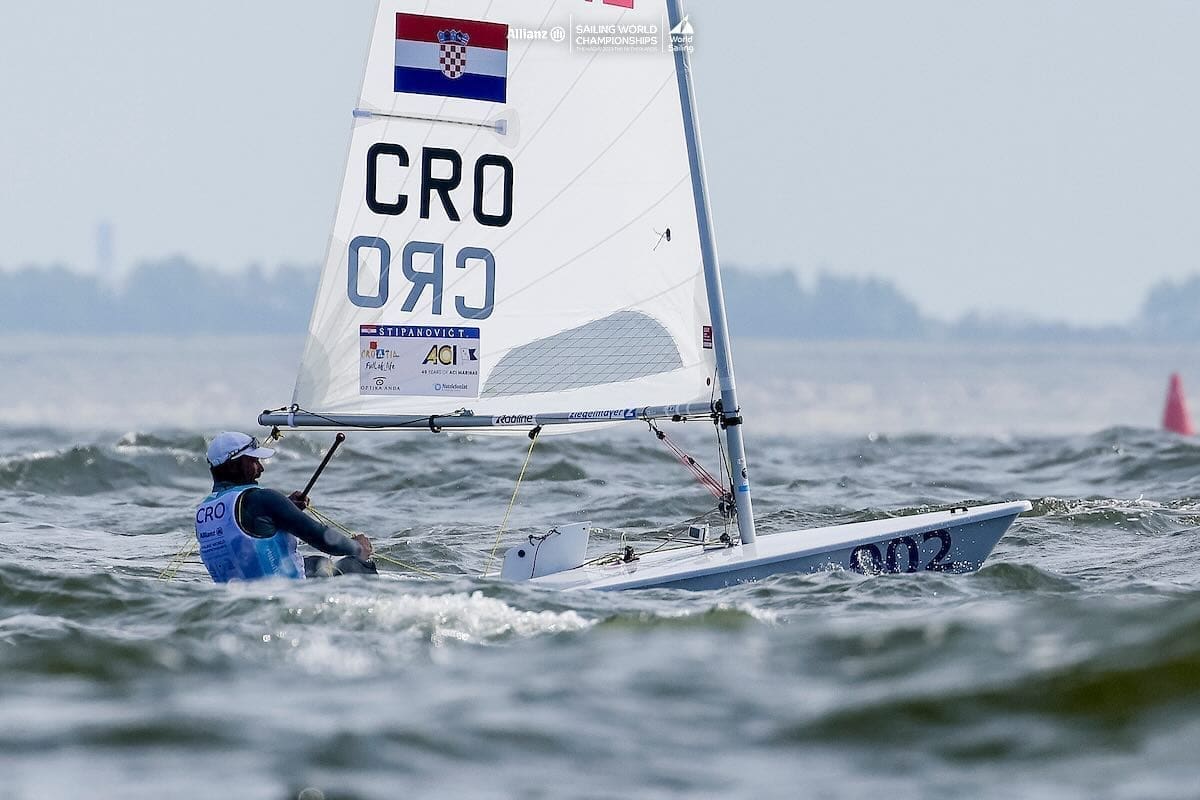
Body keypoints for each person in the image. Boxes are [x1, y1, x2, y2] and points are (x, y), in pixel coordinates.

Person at [195, 431, 375, 583]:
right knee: (357, 566)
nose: (261, 468)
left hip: (236, 600)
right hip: (285, 594)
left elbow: (247, 535)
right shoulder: (262, 499)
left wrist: (284, 508)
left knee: (314, 563)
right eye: (254, 461)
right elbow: (322, 537)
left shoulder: (203, 511)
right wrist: (358, 548)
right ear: (236, 464)